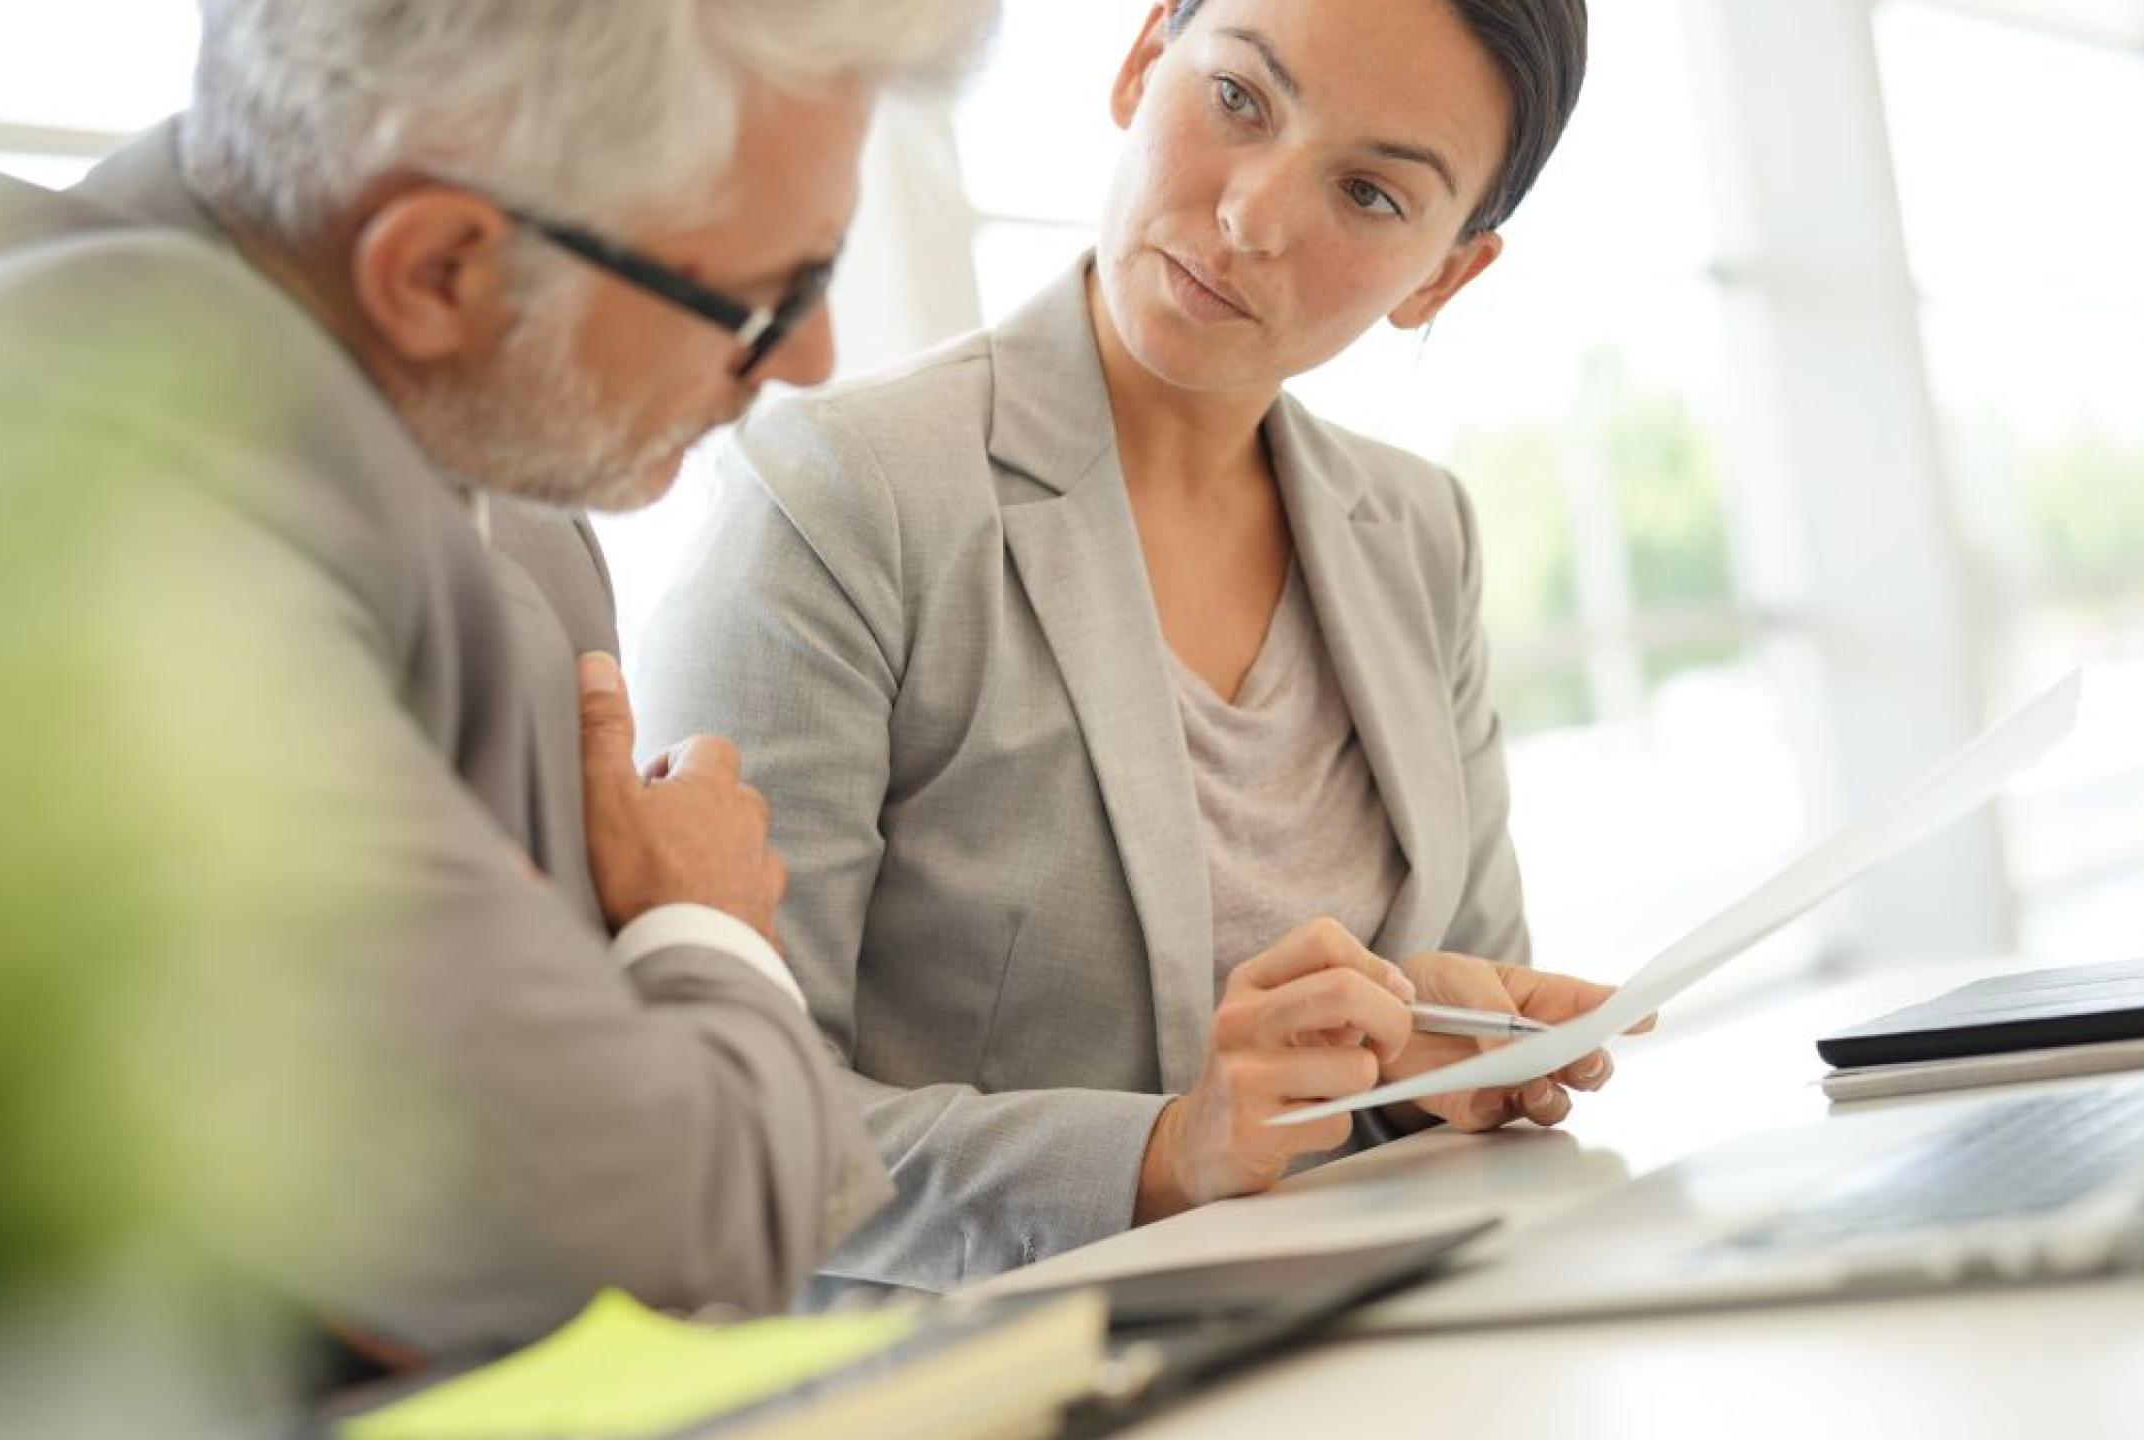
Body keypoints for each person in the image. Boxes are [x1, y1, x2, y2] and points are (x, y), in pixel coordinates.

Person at [0, 0, 993, 1364]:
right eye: (765, 301)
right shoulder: (92, 519)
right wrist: (706, 934)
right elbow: (661, 1223)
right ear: (438, 270)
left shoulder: (474, 467)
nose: (810, 362)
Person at [636, 0, 1648, 1295]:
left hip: (1377, 1344)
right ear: (1140, 57)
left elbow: (1444, 1071)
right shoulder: (839, 499)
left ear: (1447, 274)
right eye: (1239, 100)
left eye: (1372, 195)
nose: (1255, 217)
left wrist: (1428, 1054)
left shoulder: (1416, 533)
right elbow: (721, 1136)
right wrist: (1165, 1152)